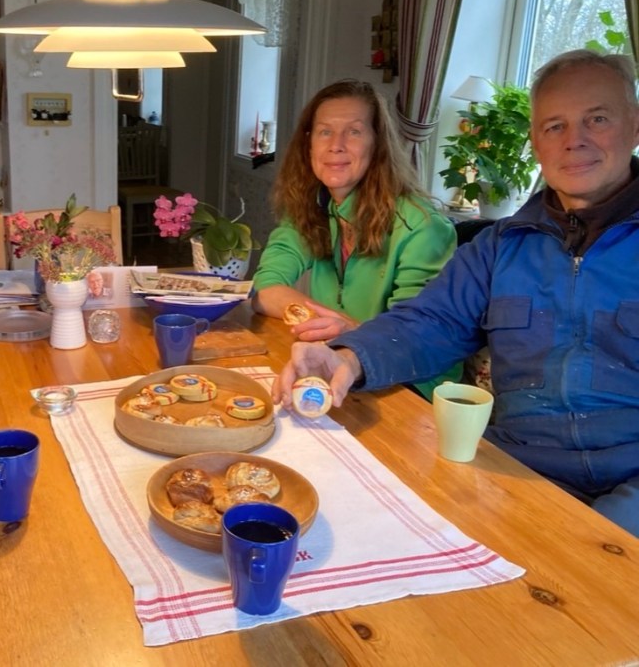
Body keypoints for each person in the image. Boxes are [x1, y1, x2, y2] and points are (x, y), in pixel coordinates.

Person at [273, 50, 639, 538]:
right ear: (535, 141)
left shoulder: (421, 223)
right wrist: (346, 357)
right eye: (555, 126)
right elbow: (431, 322)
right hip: (516, 465)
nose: (574, 140)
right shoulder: (500, 246)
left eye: (597, 119)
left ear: (634, 126)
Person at [252, 79, 458, 395]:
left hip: (412, 390)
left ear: (377, 145)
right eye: (325, 132)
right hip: (341, 368)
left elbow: (417, 340)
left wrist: (352, 335)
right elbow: (265, 288)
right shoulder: (312, 207)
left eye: (354, 132)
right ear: (309, 144)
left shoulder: (424, 227)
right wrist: (334, 327)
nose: (336, 145)